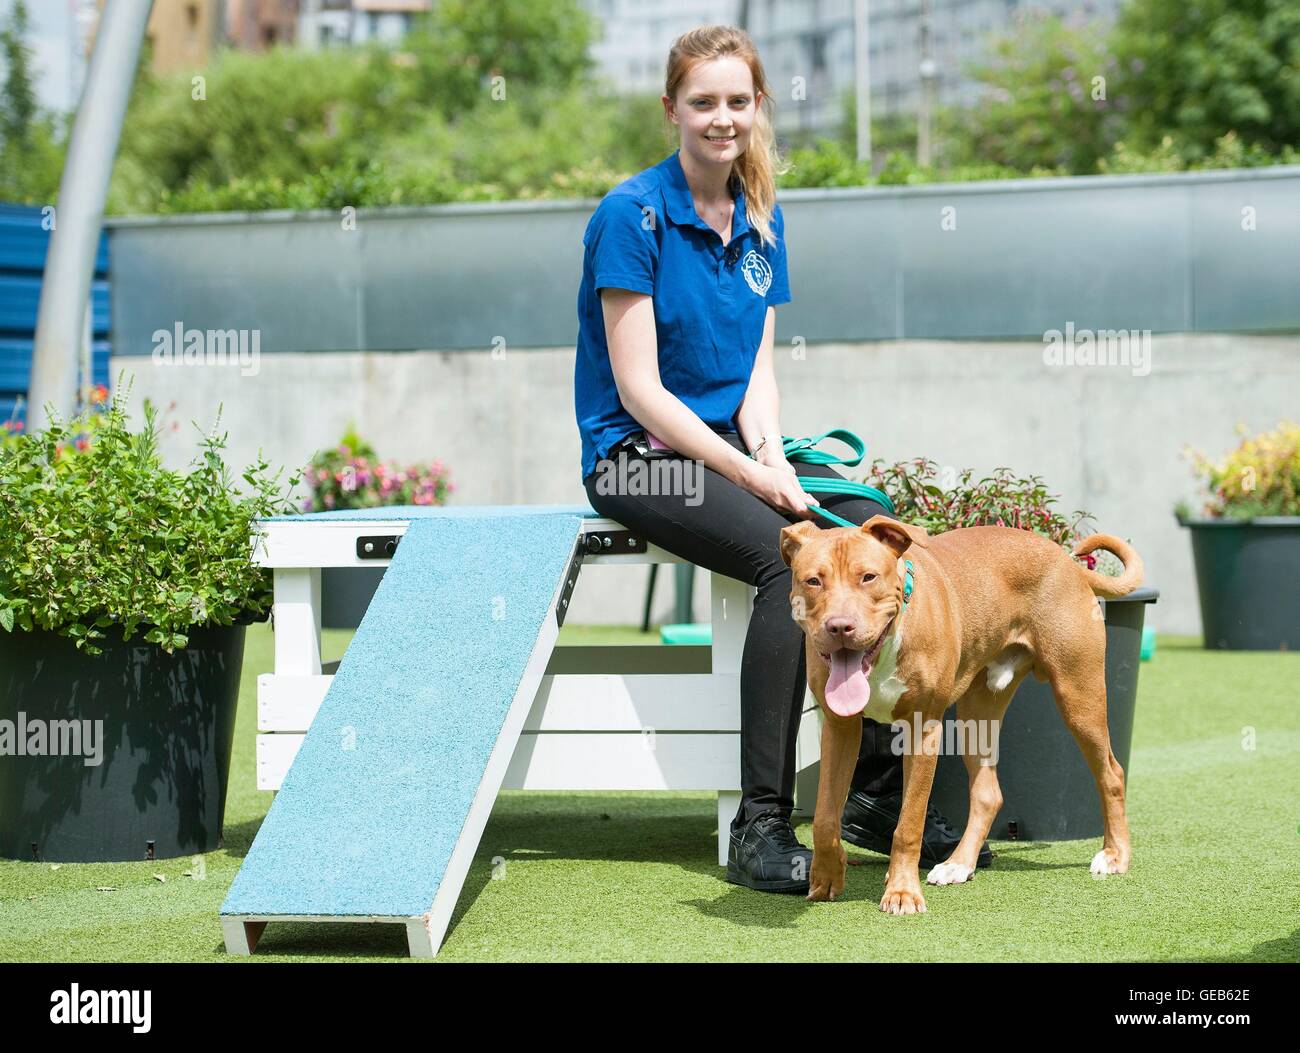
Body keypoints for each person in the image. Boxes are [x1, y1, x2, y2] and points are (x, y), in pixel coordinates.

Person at [574, 25, 990, 893]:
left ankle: (875, 792)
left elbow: (757, 371)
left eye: (736, 100)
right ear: (671, 110)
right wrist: (751, 477)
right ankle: (760, 824)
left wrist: (771, 451)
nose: (720, 118)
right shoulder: (631, 214)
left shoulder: (762, 220)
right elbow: (642, 391)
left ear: (758, 106)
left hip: (730, 449)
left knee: (861, 524)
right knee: (779, 558)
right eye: (702, 102)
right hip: (634, 457)